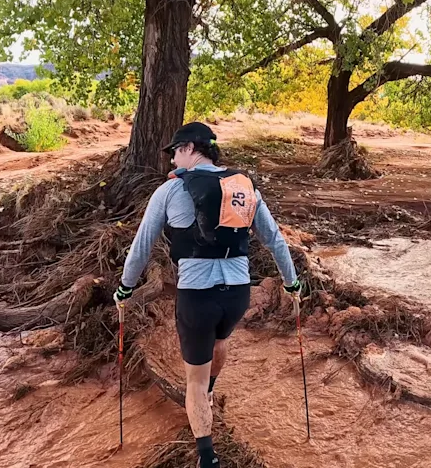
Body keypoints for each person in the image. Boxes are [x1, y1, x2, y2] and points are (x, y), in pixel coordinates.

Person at [115, 122, 300, 468]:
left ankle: (207, 456)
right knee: (220, 340)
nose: (172, 160)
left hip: (197, 297)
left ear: (188, 149)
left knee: (193, 382)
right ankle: (212, 389)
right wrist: (292, 284)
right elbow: (274, 239)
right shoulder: (243, 188)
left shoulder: (169, 192)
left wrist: (125, 287)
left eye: (174, 152)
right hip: (237, 295)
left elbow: (141, 248)